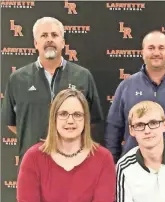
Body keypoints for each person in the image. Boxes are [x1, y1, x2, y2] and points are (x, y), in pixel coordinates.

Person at [16, 89, 116, 202]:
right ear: (53, 118)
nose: (70, 121)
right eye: (63, 114)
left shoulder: (103, 158)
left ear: (86, 120)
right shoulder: (33, 157)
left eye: (77, 115)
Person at [3, 17, 103, 160]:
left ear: (63, 43)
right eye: (44, 35)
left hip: (72, 160)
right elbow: (12, 123)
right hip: (32, 161)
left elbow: (91, 120)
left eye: (54, 35)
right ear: (35, 43)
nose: (49, 39)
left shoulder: (83, 76)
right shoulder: (17, 79)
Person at [105, 30, 165, 163]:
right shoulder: (126, 86)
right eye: (151, 48)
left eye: (161, 48)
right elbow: (113, 130)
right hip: (134, 170)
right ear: (142, 52)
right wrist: (112, 165)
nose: (156, 53)